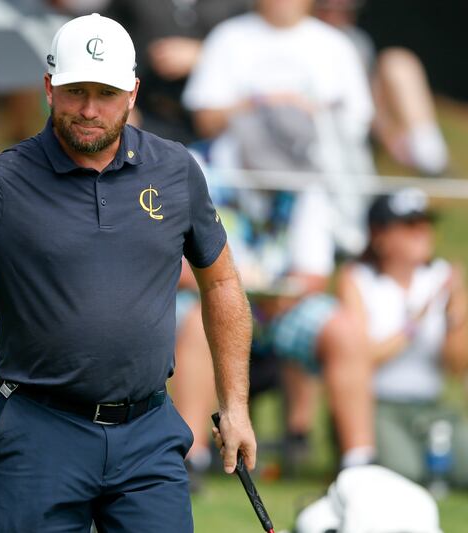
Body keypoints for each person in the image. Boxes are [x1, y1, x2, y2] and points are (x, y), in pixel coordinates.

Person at [0, 13, 256, 532]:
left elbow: (221, 282)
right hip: (39, 433)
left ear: (133, 92)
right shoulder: (1, 180)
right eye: (76, 90)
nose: (89, 108)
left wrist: (235, 406)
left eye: (106, 93)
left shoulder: (175, 169)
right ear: (49, 89)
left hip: (148, 435)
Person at [179, 0, 377, 473]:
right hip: (212, 301)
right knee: (195, 325)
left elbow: (312, 274)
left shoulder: (305, 181)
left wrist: (276, 297)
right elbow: (181, 269)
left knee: (344, 329)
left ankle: (359, 462)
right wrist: (232, 296)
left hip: (280, 308)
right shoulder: (200, 174)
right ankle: (189, 462)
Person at [337, 188, 468, 487]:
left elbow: (456, 366)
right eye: (410, 226)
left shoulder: (441, 275)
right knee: (403, 473)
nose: (423, 232)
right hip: (379, 405)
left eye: (425, 223)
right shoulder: (357, 279)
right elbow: (359, 358)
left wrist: (455, 316)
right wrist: (414, 324)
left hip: (432, 405)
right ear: (380, 236)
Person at [314, 0, 450, 177]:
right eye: (328, 9)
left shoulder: (356, 41)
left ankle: (430, 155)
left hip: (363, 125)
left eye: (346, 11)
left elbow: (367, 103)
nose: (337, 16)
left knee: (398, 62)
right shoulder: (299, 41)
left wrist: (389, 133)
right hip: (320, 128)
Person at [103, 0, 251, 144]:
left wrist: (204, 55)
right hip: (144, 112)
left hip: (211, 128)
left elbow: (259, 51)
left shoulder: (236, 6)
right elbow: (101, 43)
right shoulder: (128, 4)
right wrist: (119, 102)